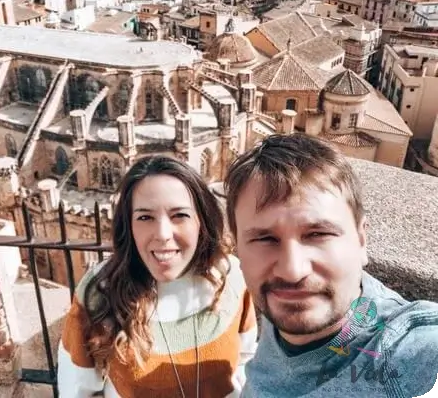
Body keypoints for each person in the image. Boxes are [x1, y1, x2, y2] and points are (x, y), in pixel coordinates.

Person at [223, 133, 438, 397]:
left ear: (361, 240)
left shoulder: (407, 351)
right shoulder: (278, 313)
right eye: (265, 238)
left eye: (318, 234)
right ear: (238, 251)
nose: (293, 271)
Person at [57, 155, 257, 398]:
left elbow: (246, 359)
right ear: (128, 226)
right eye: (145, 217)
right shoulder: (100, 293)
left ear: (201, 221)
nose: (163, 234)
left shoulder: (231, 277)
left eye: (179, 215)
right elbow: (75, 391)